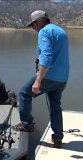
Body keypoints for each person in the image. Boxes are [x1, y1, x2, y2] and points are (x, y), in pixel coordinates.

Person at [12, 10, 69, 148]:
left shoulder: (44, 32)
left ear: (39, 21)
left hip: (49, 76)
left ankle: (27, 124)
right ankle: (57, 138)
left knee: (24, 93)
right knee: (55, 106)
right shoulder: (60, 31)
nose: (32, 28)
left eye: (32, 25)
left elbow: (47, 56)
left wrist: (38, 80)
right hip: (62, 77)